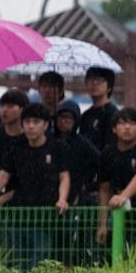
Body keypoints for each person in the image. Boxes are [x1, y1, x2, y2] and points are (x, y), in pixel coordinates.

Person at [0, 103, 69, 269]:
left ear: (45, 125)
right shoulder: (16, 147)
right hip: (17, 215)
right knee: (15, 264)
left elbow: (64, 177)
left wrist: (62, 199)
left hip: (44, 217)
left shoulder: (57, 147)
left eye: (36, 122)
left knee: (39, 264)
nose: (31, 126)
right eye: (27, 122)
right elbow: (3, 178)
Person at [97, 107, 136, 253]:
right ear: (114, 129)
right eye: (121, 123)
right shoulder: (107, 154)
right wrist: (102, 223)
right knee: (114, 255)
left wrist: (123, 196)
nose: (127, 127)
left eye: (132, 123)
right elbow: (104, 189)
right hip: (118, 214)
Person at [53, 98, 102, 264]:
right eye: (61, 117)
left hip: (74, 197)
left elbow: (100, 162)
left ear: (76, 120)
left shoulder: (82, 143)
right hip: (50, 195)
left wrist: (89, 184)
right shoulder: (49, 140)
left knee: (69, 240)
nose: (64, 121)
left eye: (69, 117)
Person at [80, 66, 118, 154]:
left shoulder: (113, 114)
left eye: (100, 80)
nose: (94, 83)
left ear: (109, 87)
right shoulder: (86, 115)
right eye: (90, 79)